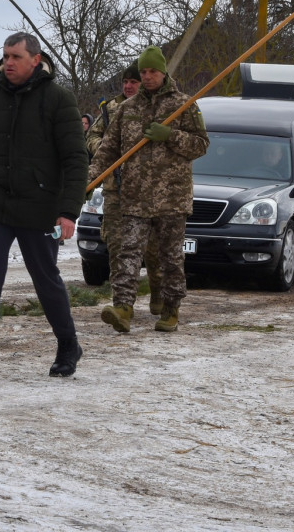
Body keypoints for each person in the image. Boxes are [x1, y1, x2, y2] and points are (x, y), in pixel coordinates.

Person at [0, 32, 87, 381]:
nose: (8, 63)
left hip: (39, 204)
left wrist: (68, 210)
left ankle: (67, 345)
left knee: (45, 279)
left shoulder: (59, 99)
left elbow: (76, 159)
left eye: (15, 56)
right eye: (5, 56)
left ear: (36, 59)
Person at [90, 46, 209, 332]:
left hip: (172, 197)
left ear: (163, 71)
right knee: (127, 253)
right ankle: (123, 308)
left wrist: (171, 135)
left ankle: (170, 309)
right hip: (134, 196)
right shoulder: (127, 109)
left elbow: (201, 145)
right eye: (143, 72)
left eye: (152, 71)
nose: (147, 77)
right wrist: (90, 178)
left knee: (170, 257)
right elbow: (107, 150)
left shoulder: (184, 105)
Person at [86, 61, 163, 311]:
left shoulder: (153, 106)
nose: (129, 86)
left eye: (134, 82)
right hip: (115, 188)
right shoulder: (110, 109)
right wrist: (109, 152)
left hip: (149, 189)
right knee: (118, 247)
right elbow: (93, 136)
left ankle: (158, 294)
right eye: (126, 82)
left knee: (153, 250)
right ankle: (121, 303)